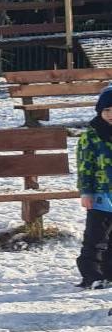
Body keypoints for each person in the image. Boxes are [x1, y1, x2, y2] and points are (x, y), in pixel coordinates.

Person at [76, 84, 112, 289]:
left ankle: (109, 273)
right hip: (100, 196)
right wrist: (86, 192)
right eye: (106, 110)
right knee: (96, 238)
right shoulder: (91, 136)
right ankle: (91, 274)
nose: (110, 114)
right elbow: (85, 167)